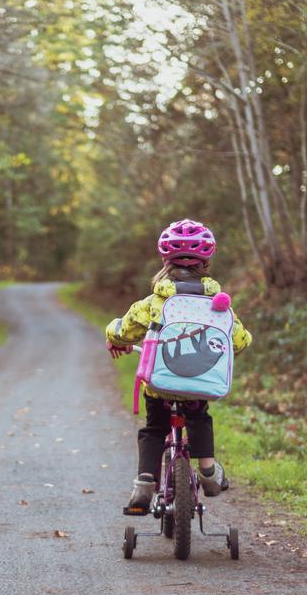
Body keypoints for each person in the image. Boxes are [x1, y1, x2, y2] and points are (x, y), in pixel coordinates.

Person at [104, 219, 252, 510]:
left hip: (160, 386)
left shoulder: (155, 302)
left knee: (154, 428)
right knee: (199, 418)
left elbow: (125, 328)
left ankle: (145, 483)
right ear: (206, 262)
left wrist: (113, 336)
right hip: (199, 387)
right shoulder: (218, 304)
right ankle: (208, 471)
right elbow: (240, 340)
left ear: (164, 260)